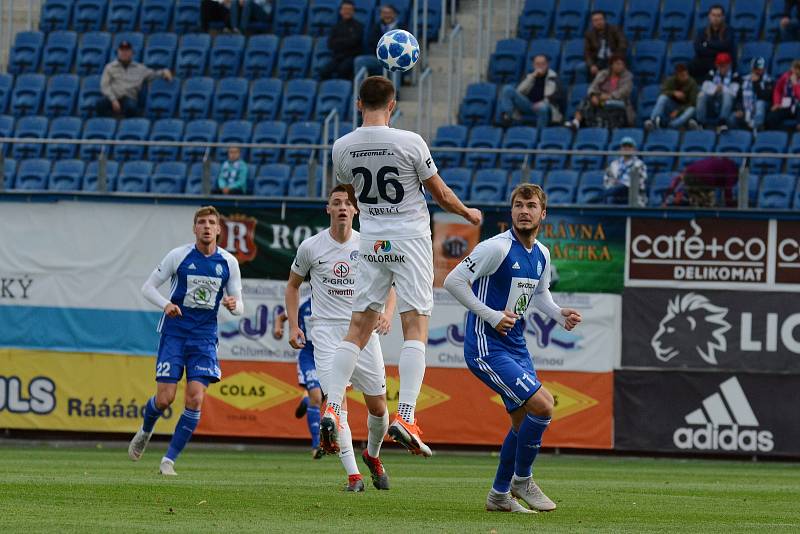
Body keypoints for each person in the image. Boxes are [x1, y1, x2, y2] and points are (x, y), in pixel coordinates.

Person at [321, 76, 482, 459]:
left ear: (359, 104)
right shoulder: (410, 142)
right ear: (392, 105)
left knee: (358, 327)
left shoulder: (341, 146)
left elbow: (351, 194)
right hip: (409, 239)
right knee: (415, 326)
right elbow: (440, 193)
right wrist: (467, 212)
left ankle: (331, 404)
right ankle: (407, 415)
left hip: (371, 239)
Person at [442, 184, 581, 513]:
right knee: (544, 406)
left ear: (542, 214)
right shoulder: (496, 248)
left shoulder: (542, 254)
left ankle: (499, 495)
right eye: (518, 205)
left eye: (531, 206)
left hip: (516, 344)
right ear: (511, 211)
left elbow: (540, 295)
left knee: (522, 424)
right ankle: (522, 479)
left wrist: (560, 316)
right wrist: (490, 315)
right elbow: (453, 281)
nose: (524, 211)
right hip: (486, 346)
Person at [285, 184, 395, 492]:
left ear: (357, 210)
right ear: (329, 209)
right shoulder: (311, 247)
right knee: (336, 406)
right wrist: (294, 326)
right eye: (337, 202)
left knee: (378, 409)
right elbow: (292, 286)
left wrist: (386, 312)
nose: (343, 207)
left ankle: (372, 455)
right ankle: (353, 476)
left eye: (348, 203)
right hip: (327, 332)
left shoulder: (371, 244)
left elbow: (392, 282)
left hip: (363, 330)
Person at [128, 206, 244, 476]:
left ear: (218, 230)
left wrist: (232, 304)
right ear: (195, 229)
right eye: (201, 222)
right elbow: (147, 288)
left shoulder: (228, 262)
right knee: (165, 398)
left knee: (194, 399)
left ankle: (168, 461)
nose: (206, 226)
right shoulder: (178, 256)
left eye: (211, 223)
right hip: (175, 335)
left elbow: (240, 306)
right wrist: (166, 304)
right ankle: (146, 430)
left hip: (204, 339)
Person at [273, 297, 323, 460]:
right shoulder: (302, 302)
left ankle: (306, 400)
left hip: (329, 355)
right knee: (317, 396)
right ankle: (316, 445)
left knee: (324, 398)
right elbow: (282, 316)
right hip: (308, 355)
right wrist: (278, 328)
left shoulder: (334, 300)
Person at [97, 41, 173, 118]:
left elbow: (153, 74)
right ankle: (109, 124)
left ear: (132, 53)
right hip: (113, 97)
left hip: (129, 98)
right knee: (99, 104)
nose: (124, 53)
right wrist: (113, 99)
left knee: (131, 108)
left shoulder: (140, 68)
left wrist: (164, 72)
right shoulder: (109, 67)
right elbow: (104, 86)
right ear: (118, 52)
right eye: (122, 50)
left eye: (127, 50)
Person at [498, 54, 564, 134]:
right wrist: (532, 77)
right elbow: (519, 91)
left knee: (543, 108)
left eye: (542, 64)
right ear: (533, 65)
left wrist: (544, 102)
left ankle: (539, 134)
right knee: (507, 89)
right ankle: (508, 118)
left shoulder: (554, 77)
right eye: (537, 64)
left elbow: (559, 96)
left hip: (546, 107)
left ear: (547, 65)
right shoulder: (530, 76)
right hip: (528, 104)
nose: (540, 66)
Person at [565, 55, 633, 129]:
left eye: (622, 64)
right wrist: (593, 95)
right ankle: (576, 122)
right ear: (612, 64)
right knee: (587, 99)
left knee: (605, 105)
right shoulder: (603, 73)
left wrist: (608, 96)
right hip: (600, 100)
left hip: (617, 102)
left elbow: (623, 92)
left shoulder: (628, 77)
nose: (620, 66)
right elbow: (593, 87)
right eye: (617, 64)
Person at [663, 157, 738, 207]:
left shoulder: (717, 162)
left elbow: (679, 177)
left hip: (689, 174)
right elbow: (728, 189)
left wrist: (670, 191)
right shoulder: (731, 170)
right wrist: (730, 206)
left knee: (696, 199)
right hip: (705, 178)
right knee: (709, 204)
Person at [644, 63, 698, 131]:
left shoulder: (692, 83)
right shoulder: (671, 80)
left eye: (686, 75)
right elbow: (662, 92)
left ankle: (672, 125)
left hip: (685, 108)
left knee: (692, 109)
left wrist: (678, 111)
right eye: (682, 75)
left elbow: (693, 103)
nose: (685, 77)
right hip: (672, 106)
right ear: (677, 75)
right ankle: (653, 120)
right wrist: (673, 93)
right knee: (662, 98)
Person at [696, 52, 740, 132]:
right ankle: (700, 123)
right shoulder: (712, 73)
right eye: (720, 65)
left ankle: (722, 123)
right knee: (701, 95)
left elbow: (734, 92)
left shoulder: (735, 75)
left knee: (727, 95)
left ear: (729, 64)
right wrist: (715, 89)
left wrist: (723, 88)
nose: (722, 68)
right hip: (713, 102)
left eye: (724, 65)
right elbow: (705, 87)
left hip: (728, 106)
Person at [689, 4, 735, 80]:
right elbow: (698, 48)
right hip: (704, 60)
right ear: (709, 16)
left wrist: (707, 43)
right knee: (689, 66)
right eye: (713, 15)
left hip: (719, 62)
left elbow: (725, 46)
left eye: (718, 15)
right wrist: (717, 49)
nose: (715, 18)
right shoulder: (702, 31)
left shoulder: (729, 31)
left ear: (723, 17)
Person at [320, 1, 363, 80]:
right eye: (345, 9)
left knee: (343, 69)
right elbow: (330, 44)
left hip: (351, 57)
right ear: (341, 11)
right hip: (337, 57)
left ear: (353, 12)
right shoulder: (336, 26)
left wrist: (339, 42)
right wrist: (346, 41)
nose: (347, 11)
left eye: (349, 9)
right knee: (324, 71)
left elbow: (354, 42)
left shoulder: (358, 26)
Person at [729, 57, 772, 132]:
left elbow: (765, 97)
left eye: (760, 69)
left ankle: (756, 131)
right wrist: (739, 109)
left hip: (761, 110)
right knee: (732, 117)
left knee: (760, 104)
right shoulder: (744, 80)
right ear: (752, 68)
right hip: (745, 110)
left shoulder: (769, 81)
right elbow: (739, 97)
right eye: (756, 69)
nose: (758, 71)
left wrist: (756, 83)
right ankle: (741, 137)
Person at [603, 136, 647, 205]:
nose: (626, 148)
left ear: (634, 149)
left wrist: (621, 184)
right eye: (624, 146)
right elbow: (607, 180)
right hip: (615, 195)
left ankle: (596, 198)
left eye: (629, 146)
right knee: (613, 192)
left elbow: (640, 182)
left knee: (621, 188)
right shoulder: (614, 164)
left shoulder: (639, 164)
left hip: (632, 195)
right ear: (621, 149)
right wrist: (613, 185)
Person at [583, 10, 628, 79]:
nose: (598, 22)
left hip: (614, 58)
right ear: (592, 22)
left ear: (605, 20)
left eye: (600, 19)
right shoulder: (589, 34)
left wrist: (616, 58)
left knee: (613, 69)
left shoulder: (615, 29)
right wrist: (591, 65)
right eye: (595, 20)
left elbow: (623, 43)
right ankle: (585, 88)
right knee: (580, 68)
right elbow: (587, 52)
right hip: (598, 60)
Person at [766, 60, 800, 132]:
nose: (795, 72)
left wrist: (795, 84)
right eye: (794, 68)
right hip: (785, 106)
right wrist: (777, 103)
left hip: (798, 107)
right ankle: (787, 132)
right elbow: (777, 90)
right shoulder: (785, 76)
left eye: (797, 69)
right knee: (771, 118)